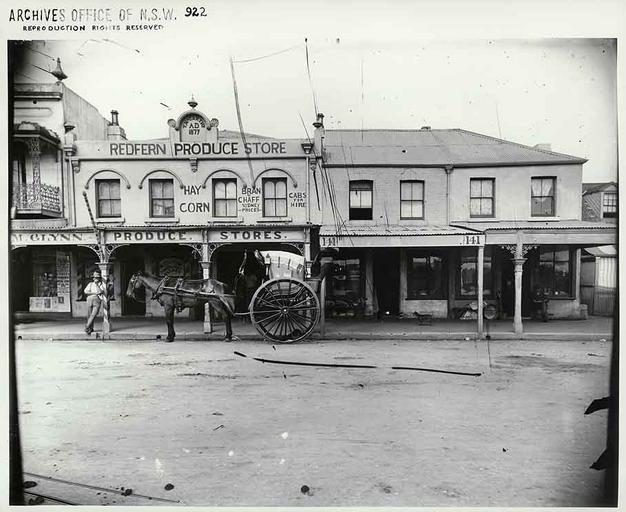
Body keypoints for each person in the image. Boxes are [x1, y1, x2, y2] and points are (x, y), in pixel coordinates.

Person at [84, 270, 107, 334]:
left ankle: (87, 326)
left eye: (97, 277)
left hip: (97, 300)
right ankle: (90, 328)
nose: (95, 278)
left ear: (99, 277)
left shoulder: (102, 284)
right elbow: (85, 291)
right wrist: (94, 293)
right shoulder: (90, 284)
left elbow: (100, 292)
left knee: (93, 314)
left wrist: (97, 285)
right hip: (89, 299)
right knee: (89, 314)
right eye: (94, 277)